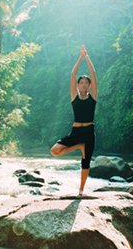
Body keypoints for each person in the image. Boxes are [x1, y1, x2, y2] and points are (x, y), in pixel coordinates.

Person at [50, 44, 97, 196]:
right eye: (81, 82)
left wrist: (87, 57)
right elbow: (72, 74)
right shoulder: (74, 97)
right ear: (78, 85)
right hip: (76, 132)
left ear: (89, 85)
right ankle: (78, 146)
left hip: (89, 132)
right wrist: (80, 57)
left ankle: (81, 191)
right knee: (55, 151)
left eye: (86, 82)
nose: (83, 84)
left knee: (86, 163)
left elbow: (93, 74)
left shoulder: (93, 97)